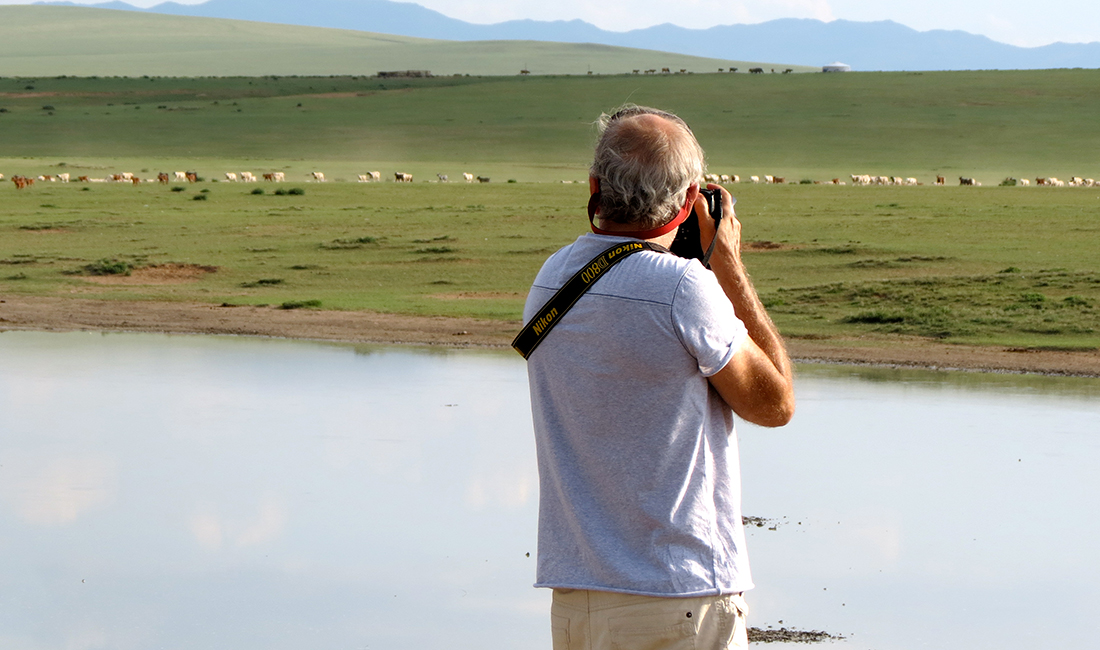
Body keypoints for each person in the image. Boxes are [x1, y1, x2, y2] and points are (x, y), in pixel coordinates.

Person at [519, 105, 796, 649]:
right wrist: (728, 265)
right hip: (677, 593)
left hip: (578, 591)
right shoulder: (684, 289)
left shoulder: (552, 277)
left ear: (595, 186)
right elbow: (775, 404)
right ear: (692, 200)